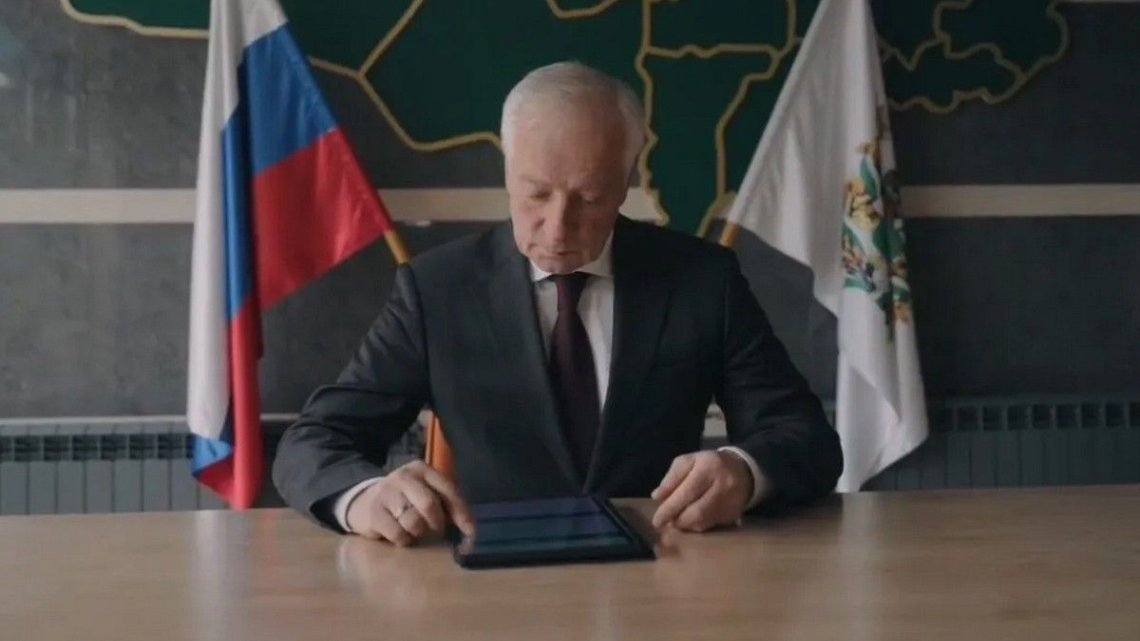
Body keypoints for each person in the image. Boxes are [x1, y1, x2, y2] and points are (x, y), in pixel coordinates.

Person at [273, 61, 842, 544]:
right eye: (536, 193)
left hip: (658, 577)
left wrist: (743, 472)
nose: (558, 226)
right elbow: (313, 442)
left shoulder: (701, 280)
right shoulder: (437, 289)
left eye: (590, 197)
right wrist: (365, 496)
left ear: (627, 179)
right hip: (494, 583)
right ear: (507, 169)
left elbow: (805, 436)